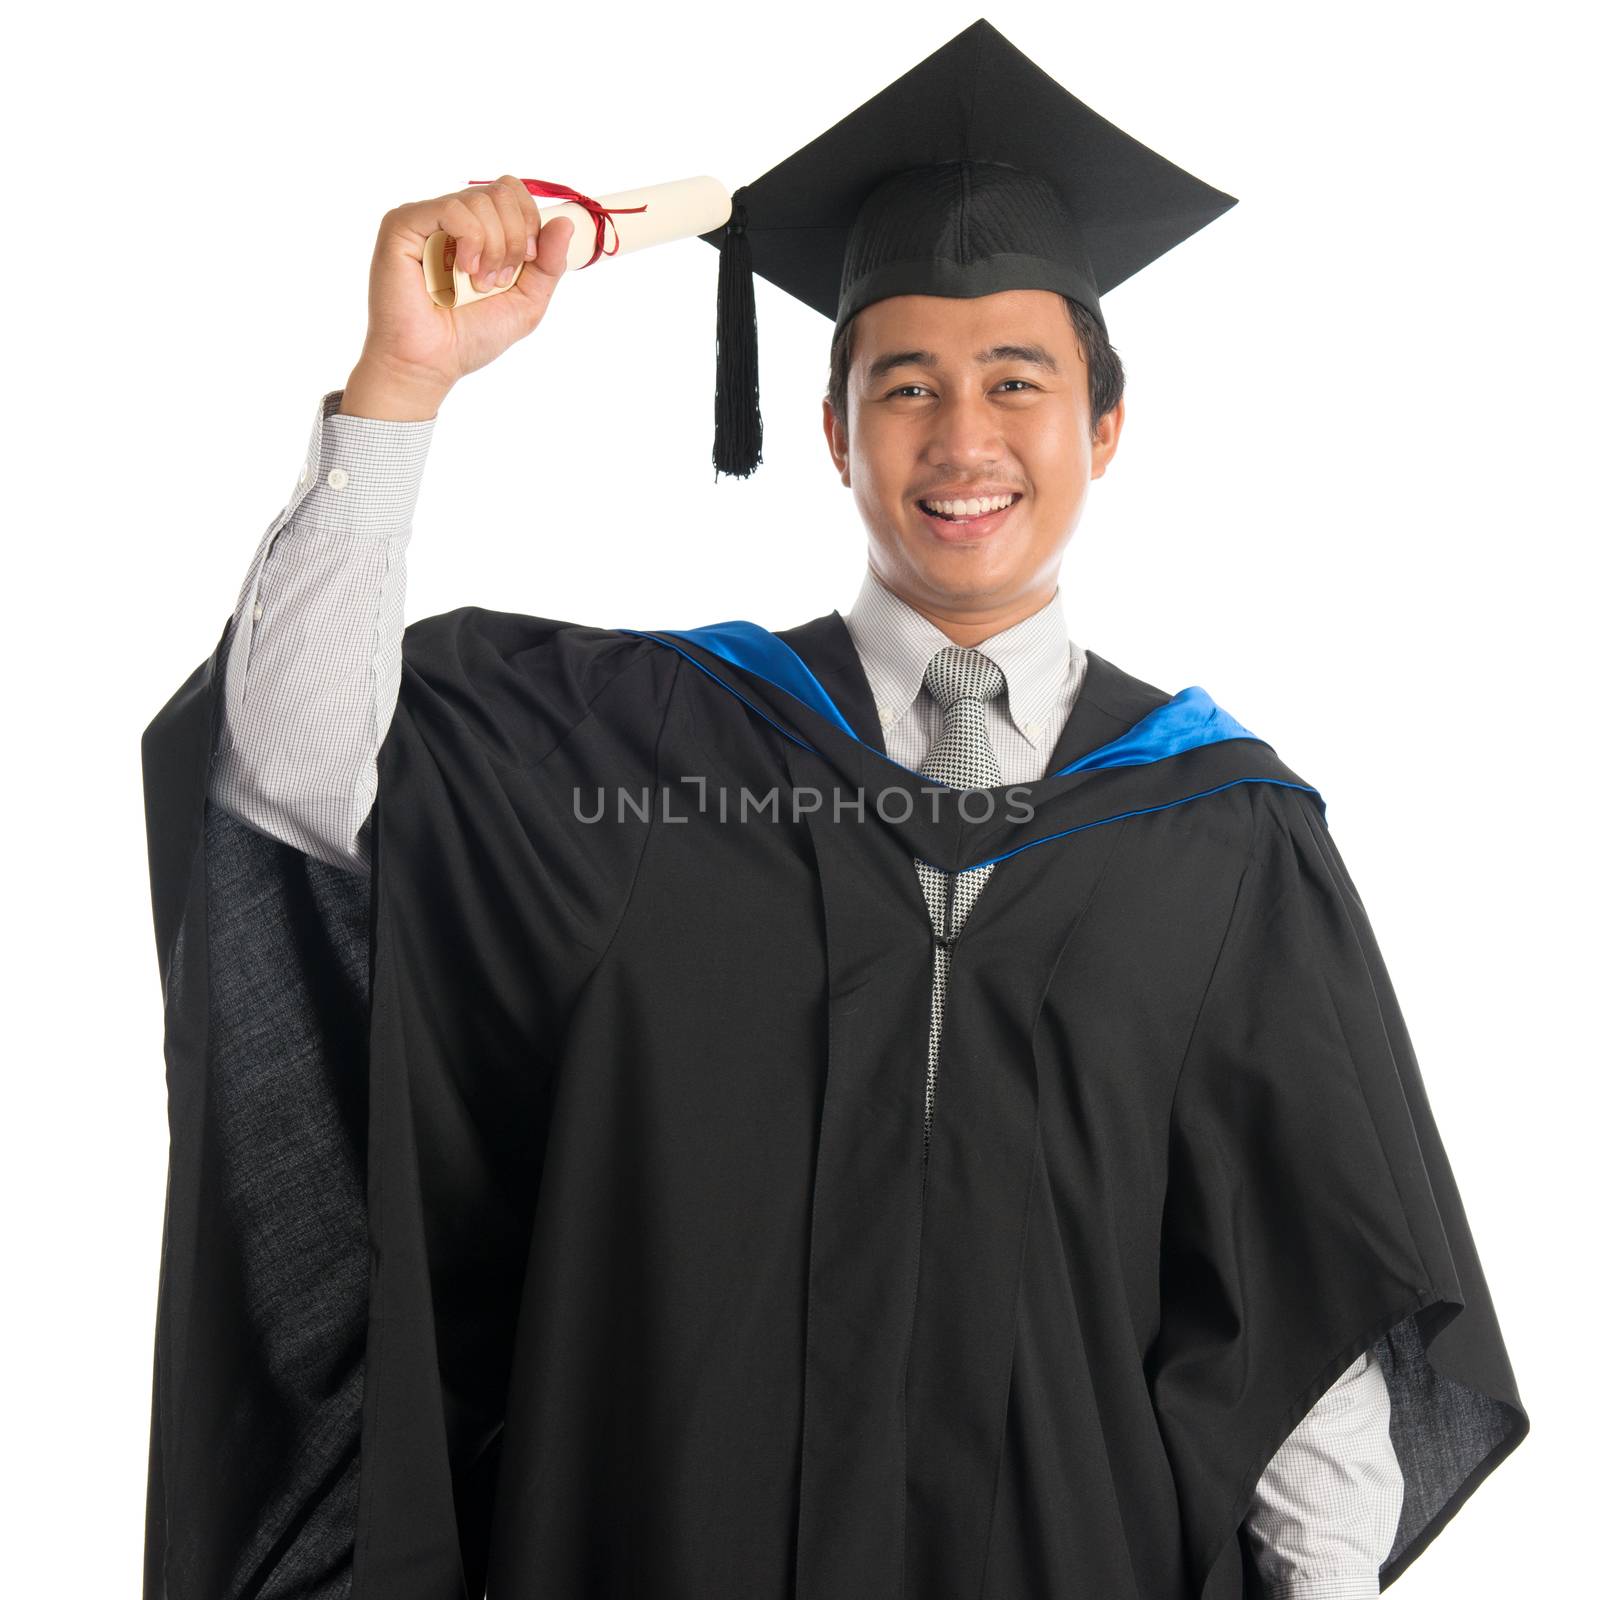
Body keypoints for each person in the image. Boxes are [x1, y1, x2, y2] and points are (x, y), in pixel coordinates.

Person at [139, 20, 1527, 1600]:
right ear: (832, 435)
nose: (963, 439)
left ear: (1106, 429)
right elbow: (292, 776)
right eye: (903, 386)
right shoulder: (637, 758)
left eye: (1019, 380)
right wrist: (400, 387)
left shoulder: (1220, 834)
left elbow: (1312, 1331)